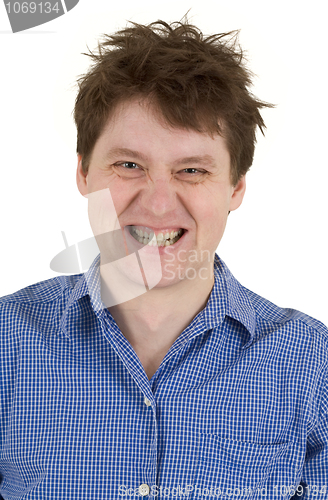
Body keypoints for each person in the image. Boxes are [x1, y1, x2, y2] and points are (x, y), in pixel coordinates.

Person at [1, 18, 327, 500]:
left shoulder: (314, 363)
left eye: (192, 170)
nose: (157, 204)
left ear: (235, 188)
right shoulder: (6, 341)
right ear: (84, 172)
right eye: (129, 165)